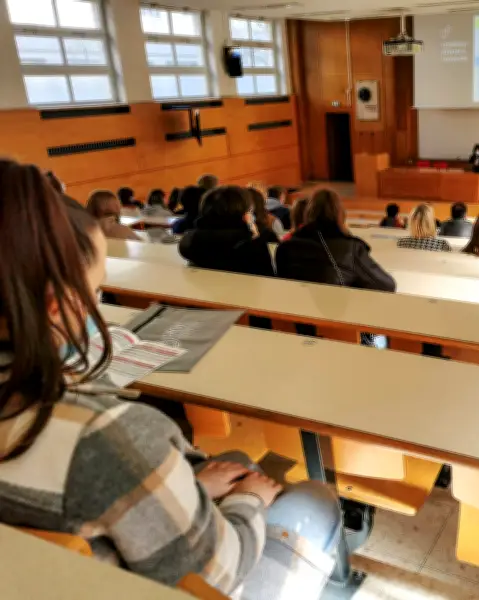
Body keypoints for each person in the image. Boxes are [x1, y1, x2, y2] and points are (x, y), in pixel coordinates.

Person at [0, 159, 342, 599]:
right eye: (95, 294)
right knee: (315, 500)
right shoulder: (109, 436)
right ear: (57, 307)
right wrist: (251, 500)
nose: (95, 308)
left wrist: (190, 488)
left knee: (234, 458)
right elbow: (217, 575)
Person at [276, 188, 395, 292]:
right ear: (341, 215)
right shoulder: (350, 248)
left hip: (294, 313)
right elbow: (386, 285)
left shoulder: (285, 247)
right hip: (336, 313)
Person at [179, 185, 278, 277]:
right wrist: (255, 236)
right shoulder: (253, 243)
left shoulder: (191, 239)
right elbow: (267, 278)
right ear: (246, 213)